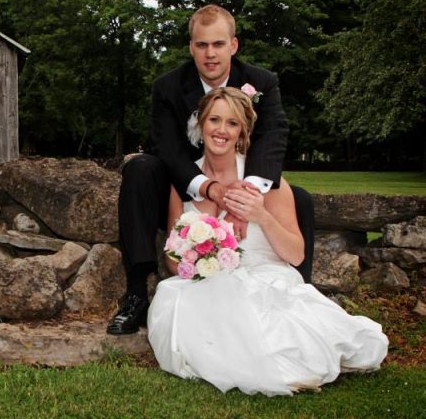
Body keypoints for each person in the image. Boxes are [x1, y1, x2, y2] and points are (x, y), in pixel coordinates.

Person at [146, 87, 388, 395]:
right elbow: (171, 260)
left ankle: (274, 361)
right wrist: (196, 257)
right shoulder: (184, 181)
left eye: (232, 123)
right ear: (200, 124)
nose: (221, 130)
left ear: (242, 132)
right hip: (206, 281)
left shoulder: (266, 180)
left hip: (267, 274)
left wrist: (261, 215)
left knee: (256, 311)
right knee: (175, 294)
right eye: (214, 120)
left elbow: (297, 254)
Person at [108, 4, 313, 335]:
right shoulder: (168, 87)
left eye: (218, 44)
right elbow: (169, 149)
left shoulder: (262, 82)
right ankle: (136, 293)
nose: (210, 54)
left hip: (240, 177)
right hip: (184, 180)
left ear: (233, 45)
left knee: (299, 199)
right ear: (191, 47)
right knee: (139, 168)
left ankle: (299, 293)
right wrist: (209, 188)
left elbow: (273, 137)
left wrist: (244, 200)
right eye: (201, 45)